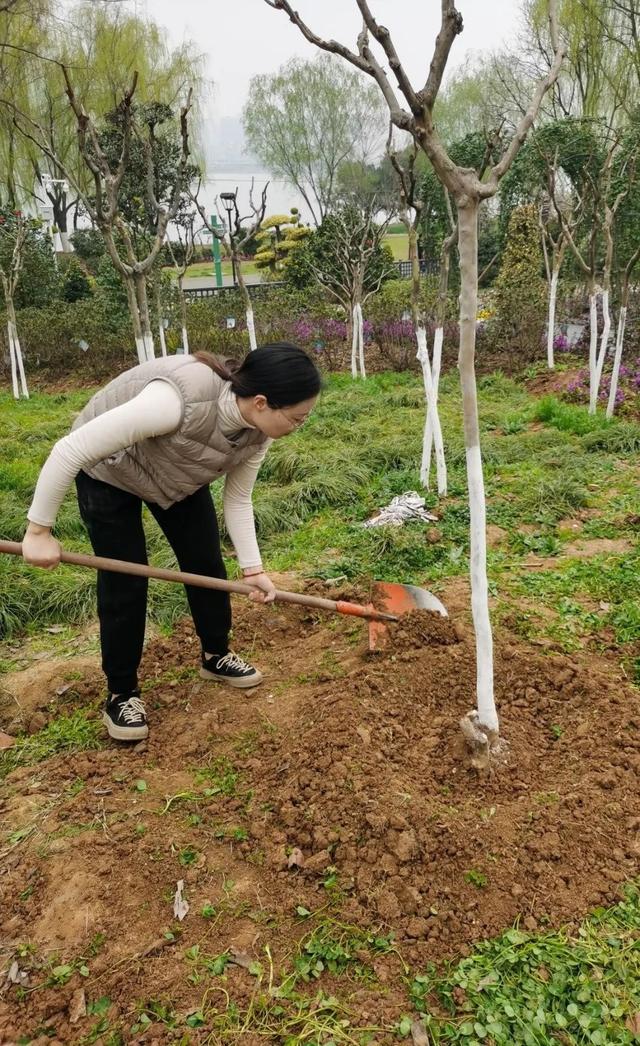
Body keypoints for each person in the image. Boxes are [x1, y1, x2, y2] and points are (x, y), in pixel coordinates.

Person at [22, 343, 321, 742]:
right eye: (298, 418)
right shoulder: (176, 401)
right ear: (263, 402)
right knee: (125, 579)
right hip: (109, 471)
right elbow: (70, 449)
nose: (300, 426)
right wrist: (38, 532)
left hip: (174, 471)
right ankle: (122, 694)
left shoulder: (258, 432)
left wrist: (253, 570)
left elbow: (238, 498)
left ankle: (216, 655)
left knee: (205, 561)